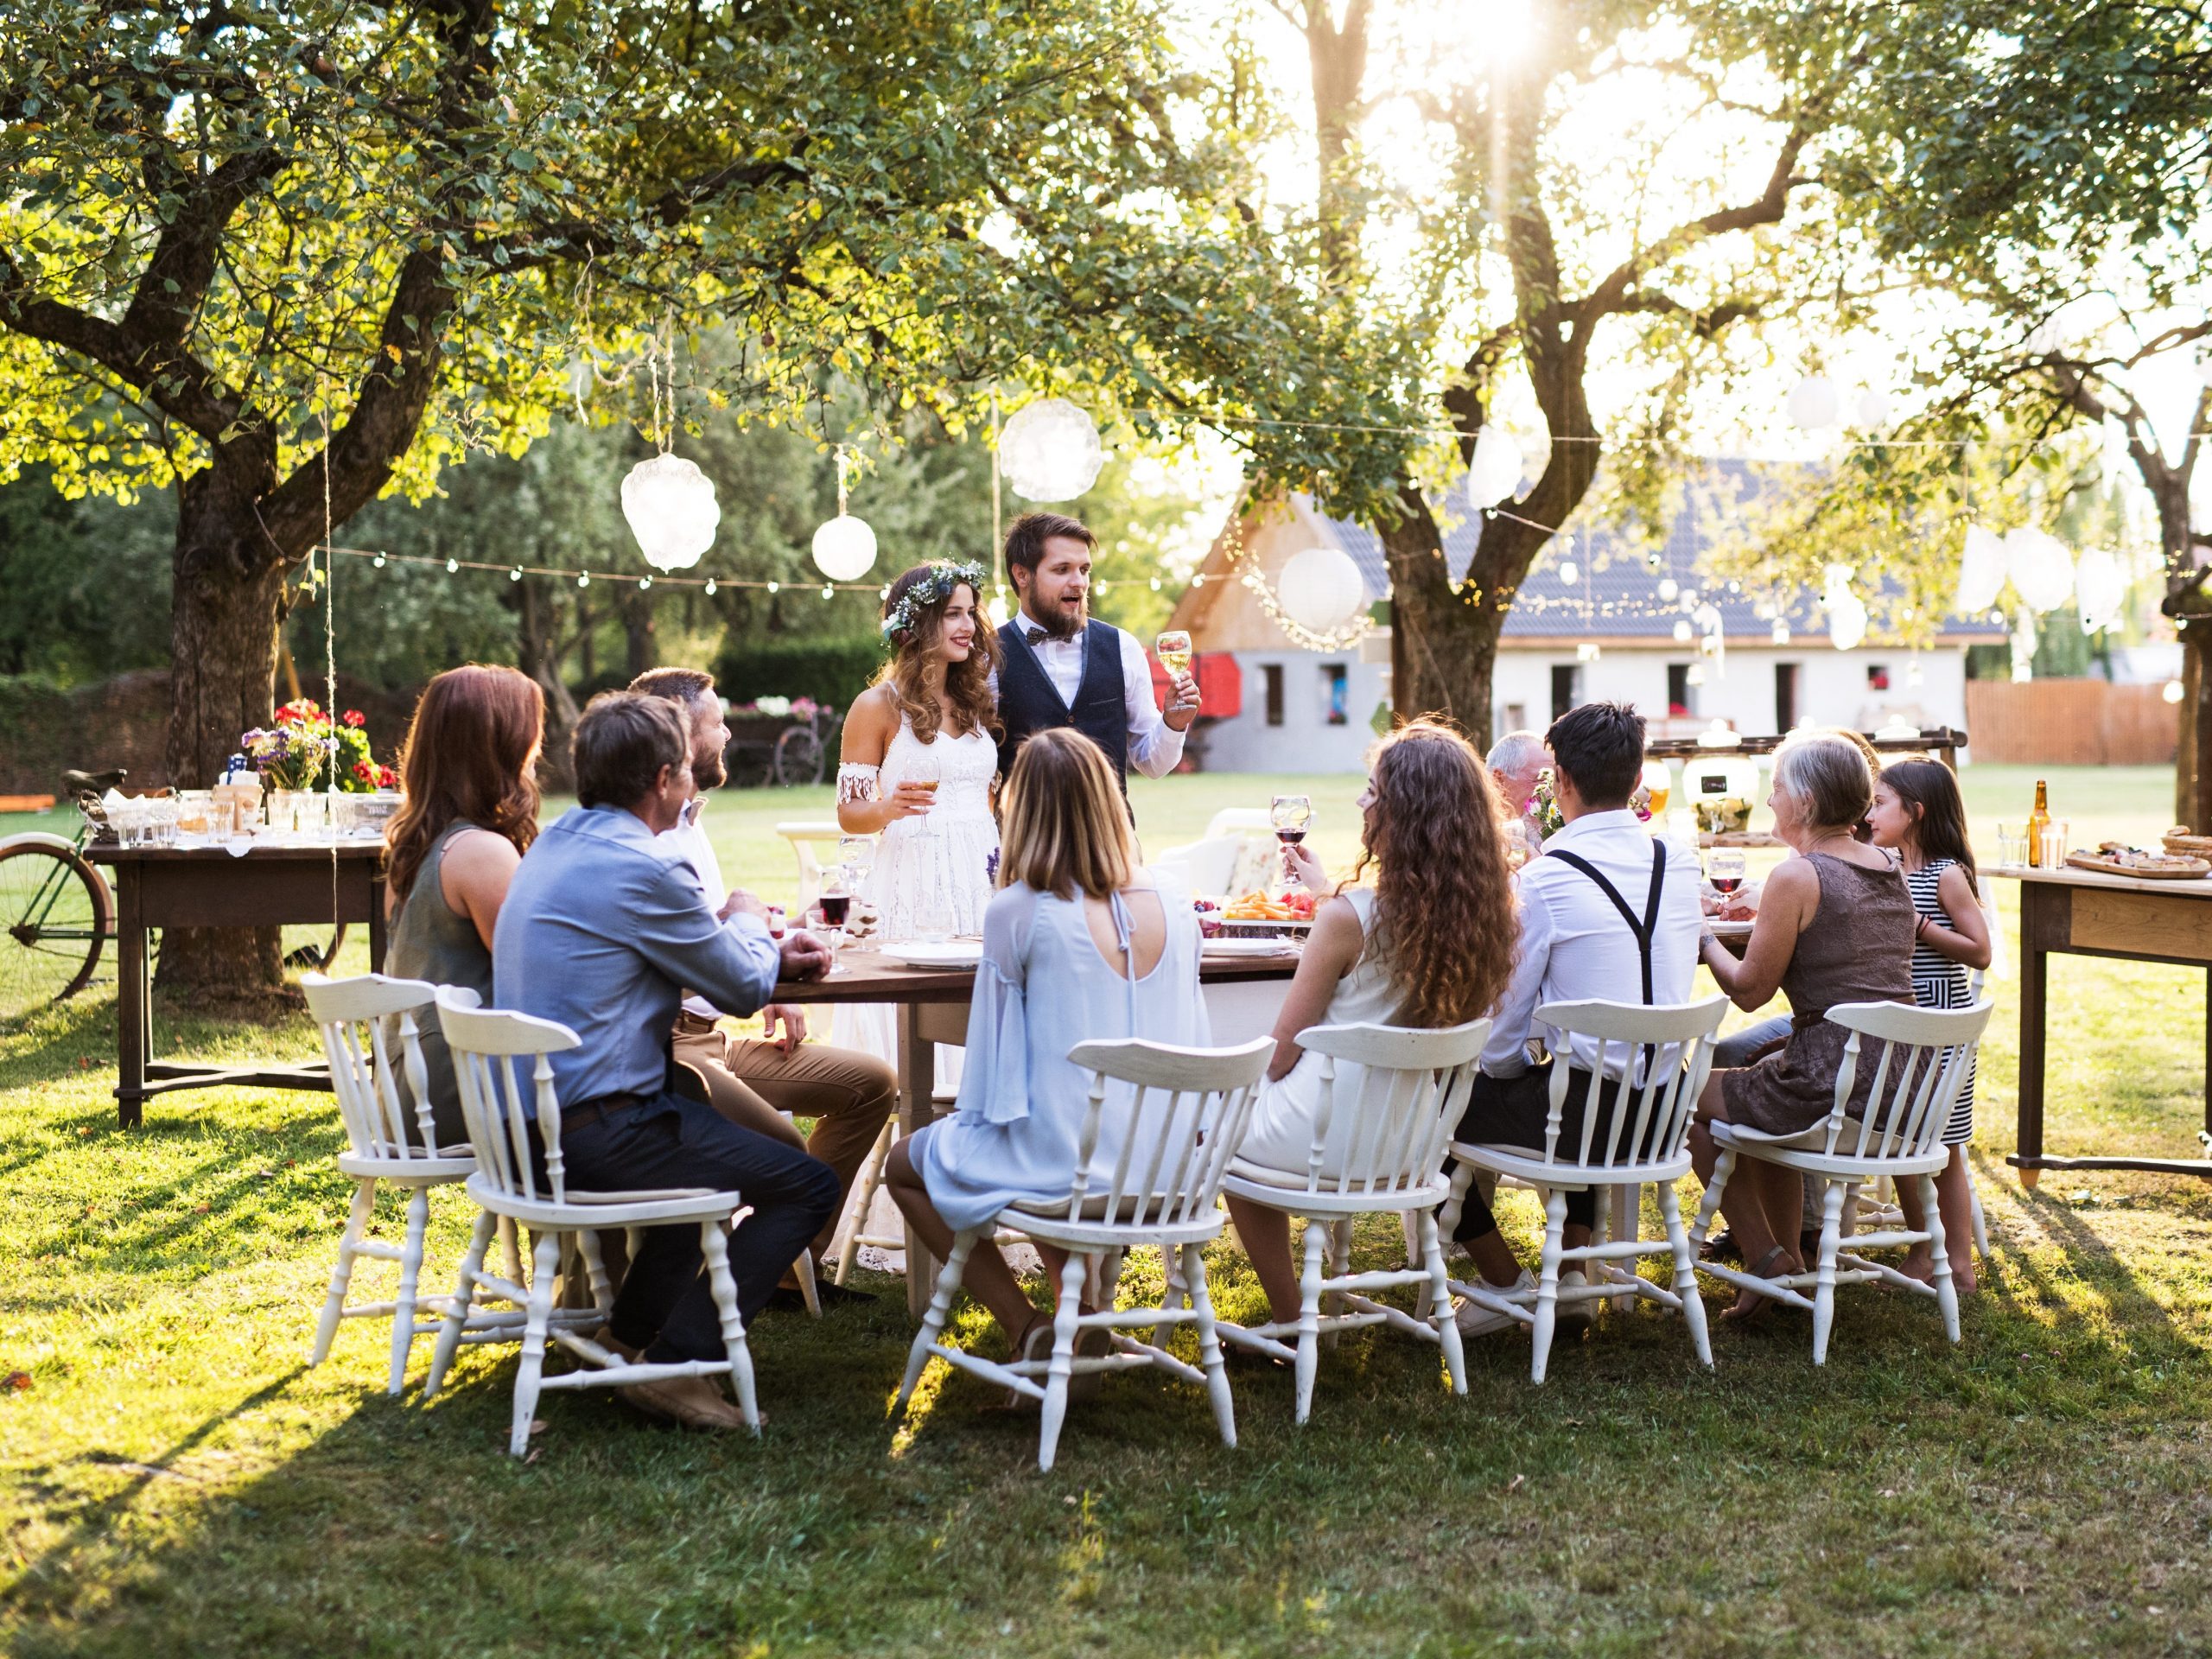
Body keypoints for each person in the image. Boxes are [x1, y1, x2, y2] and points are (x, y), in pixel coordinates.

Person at [493, 692, 841, 1431]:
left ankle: (625, 1341)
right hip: (599, 1133)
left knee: (700, 1165)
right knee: (808, 1184)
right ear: (663, 781)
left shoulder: (554, 845)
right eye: (686, 768)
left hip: (525, 1132)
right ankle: (677, 1364)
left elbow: (679, 957)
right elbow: (743, 985)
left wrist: (749, 944)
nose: (692, 780)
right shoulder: (646, 868)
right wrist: (748, 914)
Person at [882, 728, 1210, 1364]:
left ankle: (1026, 1324)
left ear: (1019, 811)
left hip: (1077, 1170)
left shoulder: (1019, 911)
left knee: (911, 1164)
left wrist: (968, 1135)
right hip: (1172, 1170)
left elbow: (990, 1074)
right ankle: (1077, 1318)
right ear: (1109, 801)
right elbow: (1193, 1038)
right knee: (1059, 1134)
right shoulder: (1175, 900)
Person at [1222, 721, 1518, 1327]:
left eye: (1372, 792)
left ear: (1404, 814)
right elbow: (1392, 928)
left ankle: (1291, 1315)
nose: (1361, 803)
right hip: (1414, 1143)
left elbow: (1280, 1053)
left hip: (1324, 1136)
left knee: (1222, 1141)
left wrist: (1228, 1082)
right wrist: (1328, 887)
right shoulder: (1479, 915)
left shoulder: (1345, 919)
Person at [629, 665, 898, 1303]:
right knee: (795, 1165)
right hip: (670, 1048)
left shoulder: (691, 822)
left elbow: (713, 939)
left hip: (716, 1036)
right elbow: (697, 962)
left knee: (872, 1085)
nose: (726, 731)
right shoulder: (653, 839)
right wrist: (763, 962)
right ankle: (724, 1287)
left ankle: (779, 1267)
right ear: (679, 733)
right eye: (716, 720)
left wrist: (772, 959)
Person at [1448, 701, 1705, 1337]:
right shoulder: (1681, 862)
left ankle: (1503, 1281)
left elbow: (1504, 1030)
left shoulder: (1545, 882)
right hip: (1665, 1115)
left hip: (1589, 1120)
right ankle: (1572, 1274)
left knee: (1415, 1109)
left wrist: (1505, 1073)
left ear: (1559, 781)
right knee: (1574, 1084)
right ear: (1637, 775)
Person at [1689, 732, 1916, 1320]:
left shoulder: (1798, 877)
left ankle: (1767, 1261)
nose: (1769, 801)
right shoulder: (1891, 865)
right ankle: (1784, 1260)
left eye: (1778, 788)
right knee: (1755, 1085)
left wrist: (1704, 935)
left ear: (1807, 801)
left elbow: (1747, 991)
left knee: (1679, 1097)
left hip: (1833, 1086)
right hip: (1900, 1086)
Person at [379, 664, 544, 1148]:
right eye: (530, 737)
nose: (536, 754)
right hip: (457, 1093)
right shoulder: (482, 852)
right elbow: (533, 976)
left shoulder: (416, 846)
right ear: (498, 745)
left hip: (406, 1088)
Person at [1867, 755, 1992, 1294]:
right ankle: (1924, 1252)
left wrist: (1920, 926)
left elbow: (1980, 951)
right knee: (1903, 1138)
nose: (1870, 813)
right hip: (1903, 1021)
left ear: (1914, 813)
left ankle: (1957, 1265)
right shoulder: (1889, 865)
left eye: (1880, 803)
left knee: (1944, 1149)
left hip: (1940, 1022)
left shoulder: (1946, 874)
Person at [836, 560, 1002, 940]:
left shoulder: (976, 700)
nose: (969, 627)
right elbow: (849, 814)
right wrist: (887, 808)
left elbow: (984, 798)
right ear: (919, 624)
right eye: (953, 615)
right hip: (913, 878)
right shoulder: (876, 705)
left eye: (971, 614)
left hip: (983, 873)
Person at [990, 512, 1198, 806]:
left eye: (1084, 569)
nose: (1079, 582)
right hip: (1027, 844)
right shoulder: (987, 655)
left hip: (1112, 843)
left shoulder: (1123, 648)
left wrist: (1173, 723)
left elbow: (1152, 764)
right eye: (1062, 569)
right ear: (1022, 574)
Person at [1487, 728, 1551, 853]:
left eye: (1553, 782)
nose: (1549, 794)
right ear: (1499, 781)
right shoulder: (1472, 837)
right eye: (1540, 781)